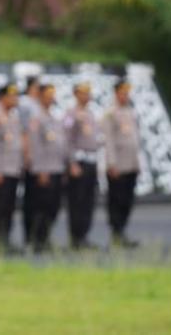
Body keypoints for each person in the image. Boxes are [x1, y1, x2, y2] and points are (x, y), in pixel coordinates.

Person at [24, 84, 68, 253]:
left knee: (53, 206)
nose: (51, 98)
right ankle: (36, 240)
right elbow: (35, 146)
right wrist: (40, 169)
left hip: (56, 168)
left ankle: (45, 238)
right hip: (44, 170)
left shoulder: (54, 118)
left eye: (52, 95)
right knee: (40, 207)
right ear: (40, 97)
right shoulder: (37, 119)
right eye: (48, 95)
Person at [0, 84, 24, 253]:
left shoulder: (13, 116)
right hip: (0, 170)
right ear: (2, 98)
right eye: (11, 96)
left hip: (12, 168)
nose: (15, 99)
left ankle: (5, 239)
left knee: (9, 207)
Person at [65, 82, 103, 250]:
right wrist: (72, 162)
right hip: (79, 161)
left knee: (88, 200)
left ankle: (84, 235)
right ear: (76, 94)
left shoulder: (90, 114)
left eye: (88, 93)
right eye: (83, 93)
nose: (86, 96)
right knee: (77, 201)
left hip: (91, 160)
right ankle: (76, 237)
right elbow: (67, 139)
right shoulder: (71, 114)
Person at [104, 80, 141, 248]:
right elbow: (109, 140)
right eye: (122, 93)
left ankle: (122, 231)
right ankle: (116, 233)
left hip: (131, 164)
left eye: (127, 93)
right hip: (117, 166)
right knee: (116, 200)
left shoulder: (131, 112)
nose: (125, 96)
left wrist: (137, 163)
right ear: (116, 93)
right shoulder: (110, 113)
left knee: (127, 200)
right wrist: (111, 163)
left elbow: (135, 140)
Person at [16, 76, 42, 245]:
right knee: (31, 199)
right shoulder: (26, 103)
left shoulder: (36, 104)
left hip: (39, 157)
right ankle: (29, 235)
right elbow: (24, 131)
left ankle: (35, 234)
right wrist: (27, 156)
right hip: (30, 158)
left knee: (38, 199)